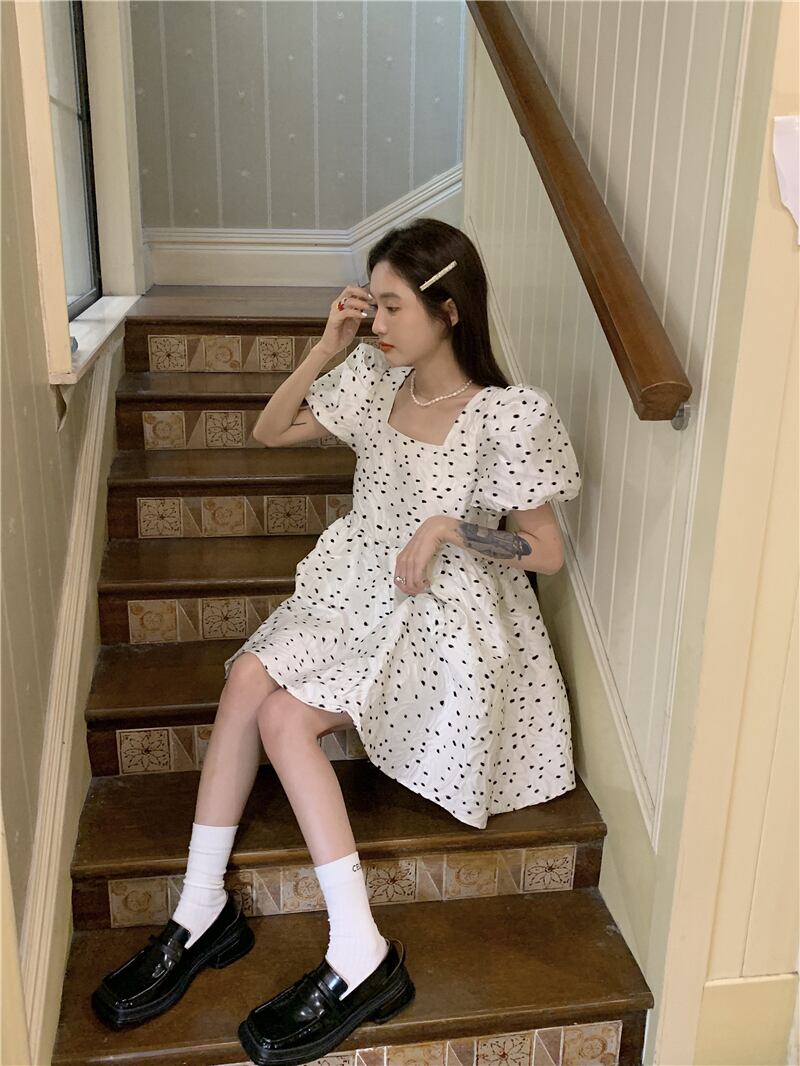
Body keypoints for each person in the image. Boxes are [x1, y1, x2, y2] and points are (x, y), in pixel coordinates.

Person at [91, 217, 581, 1065]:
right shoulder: (373, 380)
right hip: (356, 586)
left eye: (392, 307)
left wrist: (450, 528)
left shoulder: (506, 414)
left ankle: (360, 952)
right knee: (248, 676)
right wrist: (325, 348)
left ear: (449, 310)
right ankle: (202, 907)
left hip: (442, 610)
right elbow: (270, 430)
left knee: (285, 720)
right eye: (371, 304)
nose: (375, 322)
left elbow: (547, 552)